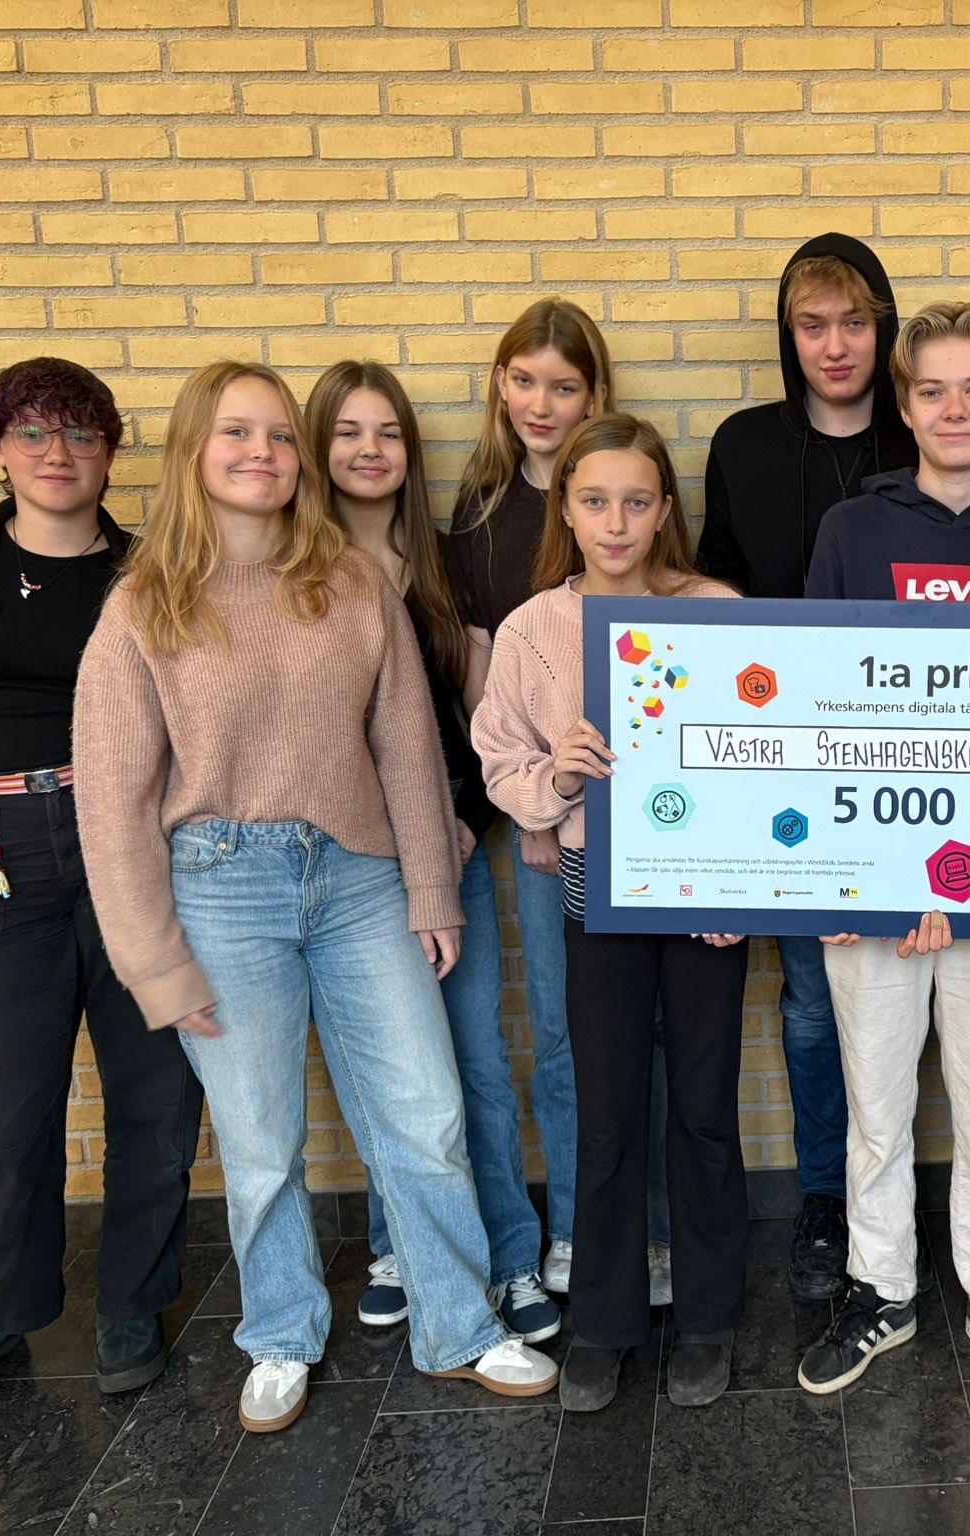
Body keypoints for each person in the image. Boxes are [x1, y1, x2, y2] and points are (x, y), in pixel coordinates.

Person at [74, 361, 558, 1434]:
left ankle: (458, 1325)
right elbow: (113, 801)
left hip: (359, 879)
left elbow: (406, 748)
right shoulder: (142, 607)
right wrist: (153, 962)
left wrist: (432, 891)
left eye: (280, 436)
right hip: (220, 889)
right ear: (193, 450)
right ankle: (280, 1333)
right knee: (259, 1140)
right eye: (237, 432)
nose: (263, 453)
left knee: (424, 1114)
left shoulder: (349, 583)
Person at [0, 358, 203, 1407]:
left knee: (155, 1092)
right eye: (34, 434)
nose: (59, 455)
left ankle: (132, 1302)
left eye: (82, 435)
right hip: (0, 857)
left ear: (110, 451)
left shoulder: (152, 573)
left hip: (130, 849)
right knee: (4, 1109)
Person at [796, 302, 970, 1411]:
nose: (953, 410)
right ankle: (881, 1288)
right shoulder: (851, 531)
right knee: (874, 1106)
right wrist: (839, 877)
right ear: (903, 407)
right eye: (931, 391)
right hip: (870, 877)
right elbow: (816, 709)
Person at [473, 412, 748, 1412]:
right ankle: (604, 1322)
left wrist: (738, 882)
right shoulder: (533, 629)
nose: (616, 521)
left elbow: (763, 756)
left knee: (704, 1107)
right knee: (606, 1109)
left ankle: (707, 1317)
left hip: (706, 897)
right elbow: (498, 755)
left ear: (665, 509)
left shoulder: (717, 611)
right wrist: (556, 778)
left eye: (636, 501)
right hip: (599, 892)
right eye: (595, 501)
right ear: (567, 508)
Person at [307, 360, 558, 1346]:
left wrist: (460, 821)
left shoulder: (448, 566)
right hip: (346, 863)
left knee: (475, 1063)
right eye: (348, 432)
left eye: (388, 433)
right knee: (390, 1073)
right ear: (318, 447)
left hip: (450, 848)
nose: (370, 451)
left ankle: (510, 1255)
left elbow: (484, 724)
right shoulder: (294, 571)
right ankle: (401, 1247)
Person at [698, 234, 918, 1300]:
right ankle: (828, 1197)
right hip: (790, 770)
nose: (834, 346)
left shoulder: (928, 432)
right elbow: (712, 595)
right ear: (787, 337)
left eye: (854, 323)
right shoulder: (744, 445)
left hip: (918, 758)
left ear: (884, 328)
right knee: (810, 1001)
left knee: (928, 988)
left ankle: (897, 1198)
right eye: (811, 325)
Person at [445, 299, 671, 1306]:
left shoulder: (650, 540)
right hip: (546, 821)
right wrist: (535, 814)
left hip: (643, 828)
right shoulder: (477, 523)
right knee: (566, 1033)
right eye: (524, 380)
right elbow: (485, 698)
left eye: (564, 385)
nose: (541, 402)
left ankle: (649, 1231)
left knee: (644, 1038)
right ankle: (581, 1224)